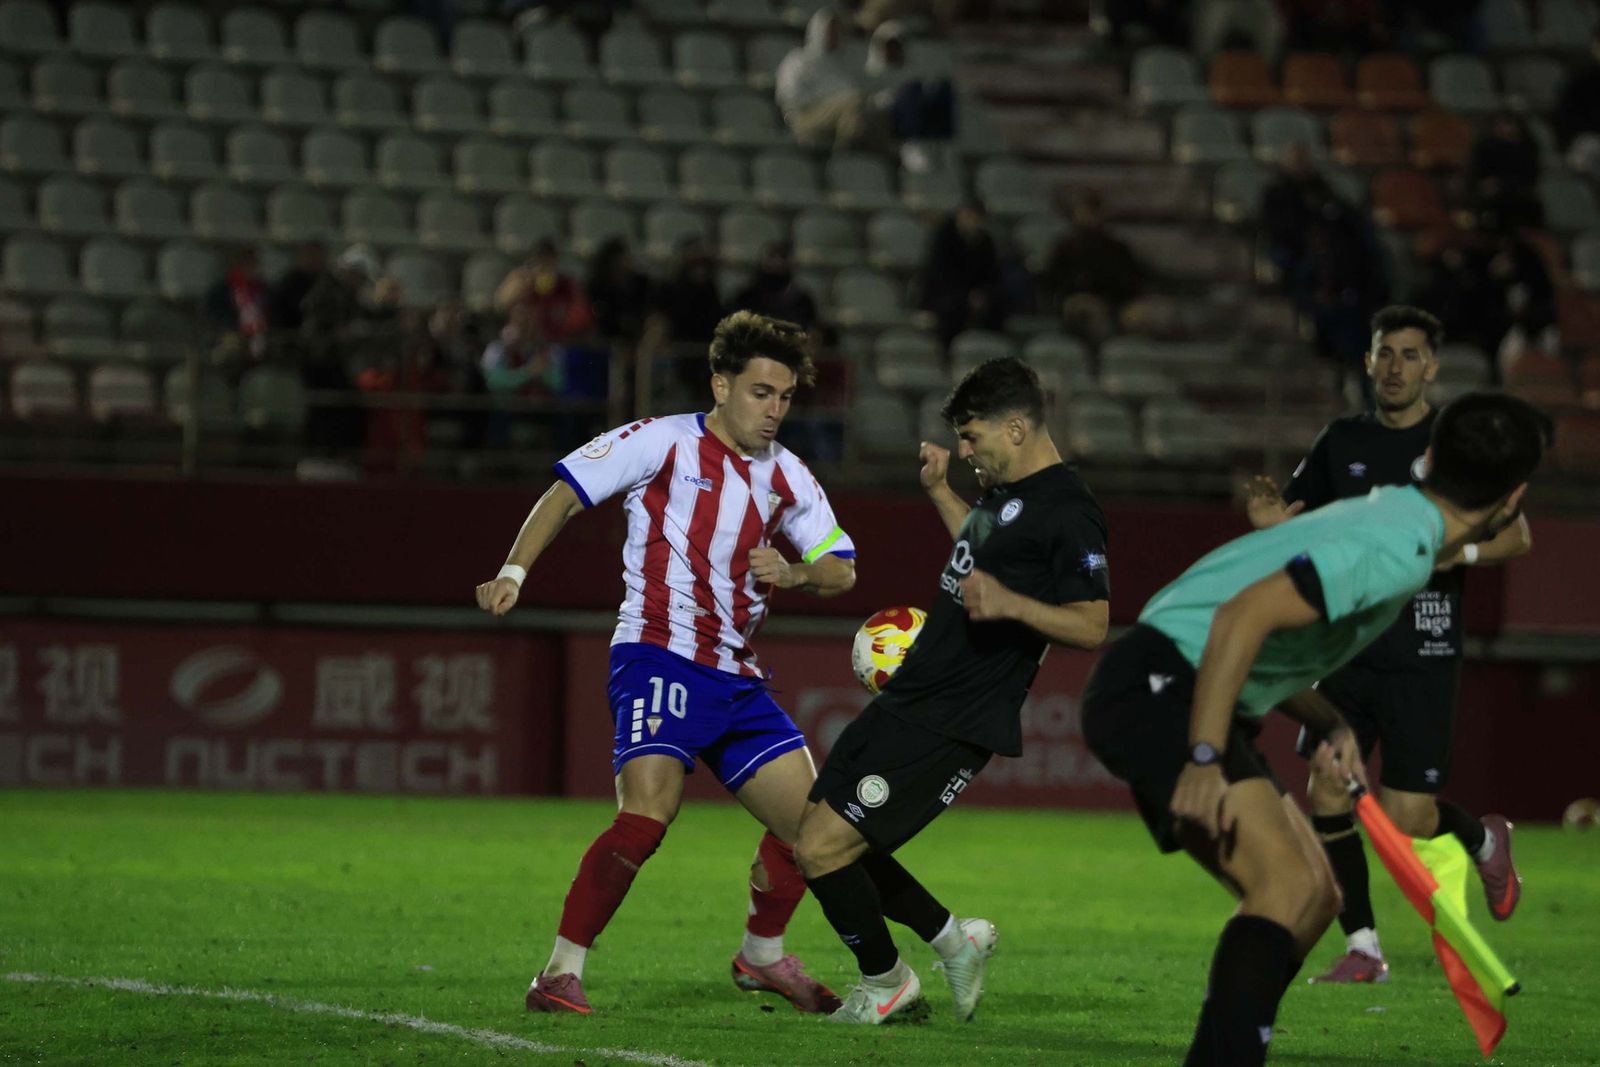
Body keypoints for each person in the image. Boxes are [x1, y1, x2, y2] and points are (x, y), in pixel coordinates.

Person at [1081, 389, 1551, 1066]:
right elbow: (1241, 617)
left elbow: (1259, 629)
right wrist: (1207, 755)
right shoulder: (1401, 544)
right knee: (1289, 888)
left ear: (1428, 456)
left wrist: (1330, 720)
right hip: (1163, 685)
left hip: (1178, 679)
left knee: (1317, 897)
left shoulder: (1394, 511)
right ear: (1512, 499)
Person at [475, 311, 857, 1016]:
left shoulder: (789, 475)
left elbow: (842, 568)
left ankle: (763, 956)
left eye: (785, 397)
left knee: (815, 830)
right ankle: (558, 973)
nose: (774, 410)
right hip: (660, 653)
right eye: (760, 392)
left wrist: (800, 574)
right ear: (720, 384)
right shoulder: (662, 440)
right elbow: (566, 491)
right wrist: (514, 571)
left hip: (737, 675)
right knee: (649, 813)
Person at [792, 357, 1111, 1024]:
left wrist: (1013, 604)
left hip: (955, 714)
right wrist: (941, 490)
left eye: (973, 437)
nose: (966, 451)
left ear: (1017, 427)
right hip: (914, 693)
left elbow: (1092, 622)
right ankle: (951, 940)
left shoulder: (1069, 510)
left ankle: (888, 983)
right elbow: (979, 547)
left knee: (824, 847)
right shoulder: (1005, 495)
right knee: (829, 837)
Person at [1240, 307, 1531, 987]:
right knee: (1327, 786)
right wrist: (1263, 512)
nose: (1395, 367)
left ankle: (1486, 839)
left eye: (1409, 355)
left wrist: (1459, 551)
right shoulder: (1341, 441)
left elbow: (1518, 537)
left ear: (1432, 365)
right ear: (1367, 361)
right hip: (1347, 644)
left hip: (1422, 648)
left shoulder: (1458, 444)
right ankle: (1365, 946)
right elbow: (1284, 512)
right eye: (1384, 353)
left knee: (1407, 817)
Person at [775, 8, 888, 151]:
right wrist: (833, 101)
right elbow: (790, 98)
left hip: (844, 114)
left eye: (838, 31)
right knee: (854, 103)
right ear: (818, 30)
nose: (836, 35)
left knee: (876, 110)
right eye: (831, 30)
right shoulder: (797, 60)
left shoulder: (845, 63)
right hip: (805, 119)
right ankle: (844, 156)